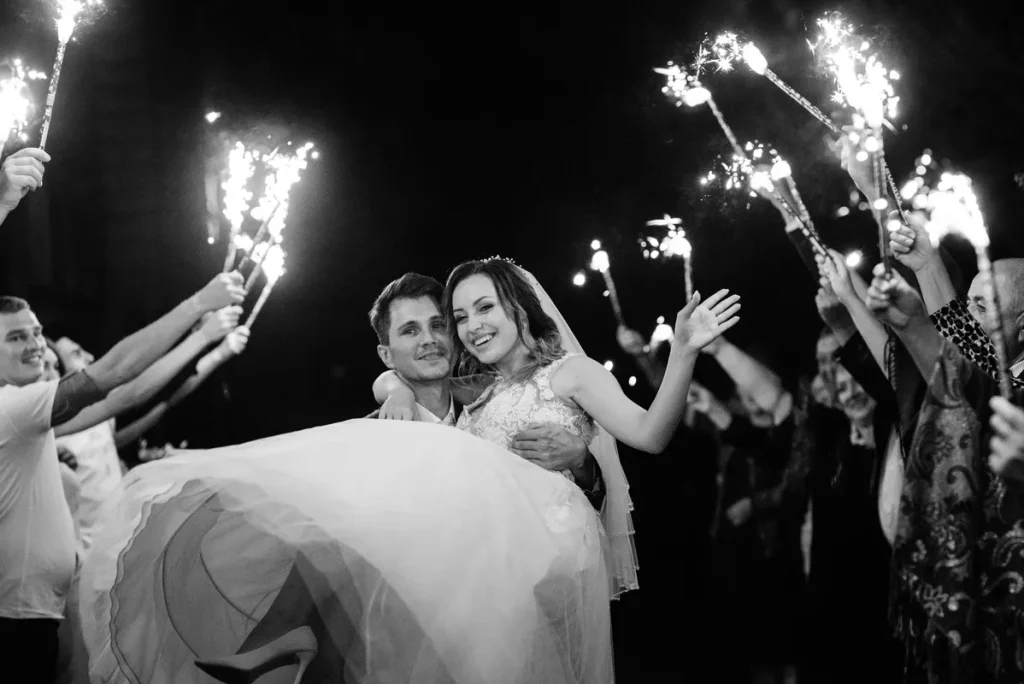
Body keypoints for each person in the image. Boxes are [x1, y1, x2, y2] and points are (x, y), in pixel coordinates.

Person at [0, 273, 244, 683]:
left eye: (37, 332)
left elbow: (125, 396)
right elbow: (113, 372)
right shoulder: (11, 407)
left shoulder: (26, 417)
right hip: (15, 619)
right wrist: (198, 303)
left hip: (40, 610)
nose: (36, 345)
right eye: (16, 337)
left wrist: (203, 343)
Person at [369, 272, 605, 506]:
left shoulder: (501, 396)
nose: (429, 339)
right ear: (386, 355)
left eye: (438, 324)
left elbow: (583, 500)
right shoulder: (375, 439)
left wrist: (581, 461)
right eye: (410, 330)